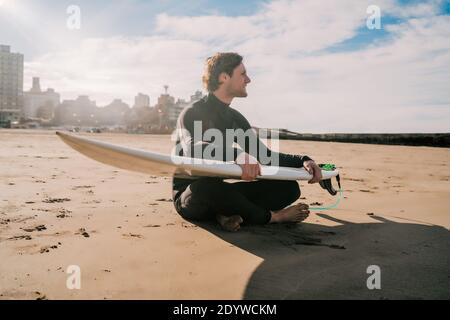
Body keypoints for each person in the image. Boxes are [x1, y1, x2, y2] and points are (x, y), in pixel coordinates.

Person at [172, 52, 323, 231]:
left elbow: (264, 156)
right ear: (224, 76)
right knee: (207, 187)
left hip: (222, 192)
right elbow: (191, 149)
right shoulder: (193, 112)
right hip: (192, 196)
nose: (248, 79)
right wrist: (238, 155)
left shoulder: (235, 119)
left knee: (288, 188)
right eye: (243, 74)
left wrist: (303, 160)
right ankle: (274, 217)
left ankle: (223, 214)